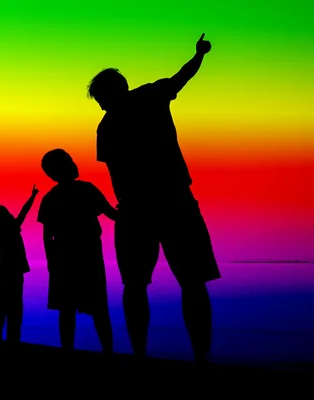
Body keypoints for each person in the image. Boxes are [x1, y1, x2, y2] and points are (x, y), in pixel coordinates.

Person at [86, 33, 221, 363]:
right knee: (184, 282)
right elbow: (182, 77)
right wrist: (199, 54)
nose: (102, 104)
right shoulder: (143, 101)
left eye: (101, 97)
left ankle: (144, 354)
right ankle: (193, 355)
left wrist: (199, 55)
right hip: (167, 203)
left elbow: (181, 77)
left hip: (146, 208)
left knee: (143, 285)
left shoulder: (115, 120)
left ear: (113, 91)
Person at [37, 149, 118, 354]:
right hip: (86, 255)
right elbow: (112, 214)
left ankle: (69, 352)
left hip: (65, 257)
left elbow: (47, 237)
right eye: (69, 161)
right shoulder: (85, 189)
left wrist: (51, 262)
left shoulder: (50, 198)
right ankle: (107, 351)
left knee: (68, 309)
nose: (74, 164)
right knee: (97, 307)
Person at [0, 185, 39, 352]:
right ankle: (13, 344)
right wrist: (33, 196)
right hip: (15, 273)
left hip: (3, 273)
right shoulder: (12, 227)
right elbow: (24, 211)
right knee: (15, 310)